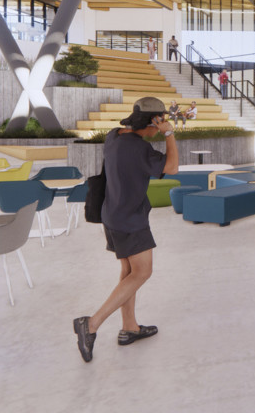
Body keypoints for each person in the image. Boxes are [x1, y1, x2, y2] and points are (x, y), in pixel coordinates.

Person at [73, 96, 178, 362]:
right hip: (131, 219)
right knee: (143, 271)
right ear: (153, 121)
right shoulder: (140, 149)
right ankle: (92, 323)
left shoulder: (114, 136)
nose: (160, 127)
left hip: (111, 215)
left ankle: (129, 328)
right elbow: (172, 167)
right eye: (160, 121)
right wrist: (169, 135)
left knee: (129, 271)